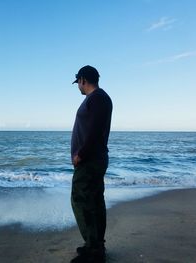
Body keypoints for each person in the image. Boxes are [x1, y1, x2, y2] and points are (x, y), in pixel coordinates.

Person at [70, 65, 113, 263]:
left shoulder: (98, 99)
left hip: (90, 160)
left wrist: (81, 154)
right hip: (93, 159)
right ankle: (95, 246)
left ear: (83, 80)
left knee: (81, 200)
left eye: (78, 82)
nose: (78, 86)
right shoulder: (97, 99)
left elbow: (95, 131)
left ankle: (94, 249)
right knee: (94, 201)